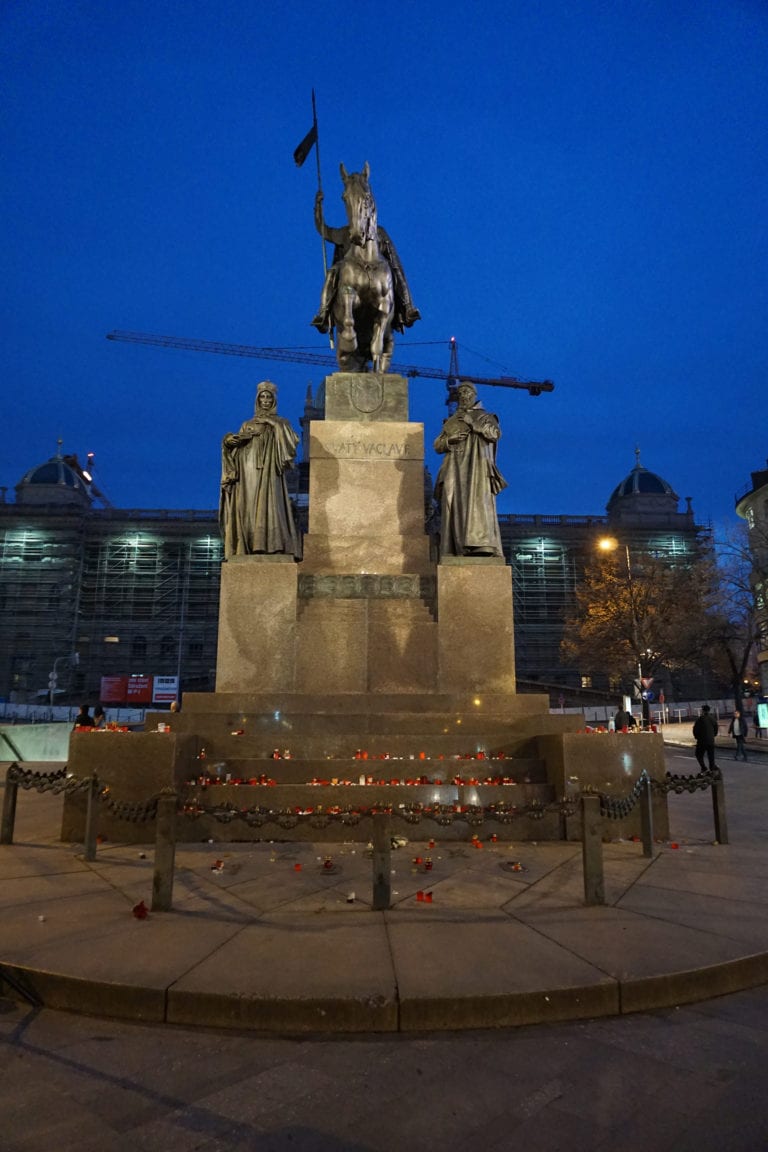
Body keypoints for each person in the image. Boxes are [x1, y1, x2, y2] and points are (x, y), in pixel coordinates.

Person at [219, 381, 302, 560]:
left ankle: (271, 543)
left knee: (271, 503)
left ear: (273, 400)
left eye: (268, 397)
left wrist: (272, 423)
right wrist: (229, 442)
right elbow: (235, 450)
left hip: (270, 469)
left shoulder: (281, 422)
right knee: (247, 504)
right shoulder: (247, 424)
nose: (265, 400)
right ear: (257, 400)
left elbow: (291, 444)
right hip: (247, 468)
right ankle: (246, 543)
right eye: (262, 397)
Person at [433, 381, 507, 558]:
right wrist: (450, 440)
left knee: (476, 504)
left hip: (476, 468)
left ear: (474, 395)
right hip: (454, 467)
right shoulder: (451, 420)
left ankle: (480, 545)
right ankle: (457, 546)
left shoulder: (485, 416)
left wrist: (472, 423)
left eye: (466, 393)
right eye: (460, 394)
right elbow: (437, 445)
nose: (463, 396)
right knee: (454, 504)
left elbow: (495, 434)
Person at [692, 704, 718, 771]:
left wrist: (697, 737)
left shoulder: (700, 719)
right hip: (711, 740)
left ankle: (703, 767)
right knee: (711, 755)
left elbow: (695, 729)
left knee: (698, 754)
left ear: (703, 711)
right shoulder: (712, 719)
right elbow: (716, 728)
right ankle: (712, 768)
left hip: (702, 741)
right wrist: (713, 735)